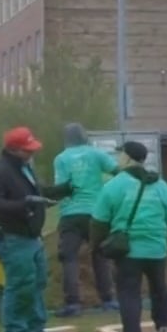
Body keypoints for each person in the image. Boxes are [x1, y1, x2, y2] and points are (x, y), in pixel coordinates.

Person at [0, 127, 67, 332]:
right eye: (27, 150)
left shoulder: (24, 168)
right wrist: (22, 206)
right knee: (19, 285)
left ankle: (36, 330)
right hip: (12, 237)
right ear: (14, 149)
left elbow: (36, 192)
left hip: (31, 237)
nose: (32, 153)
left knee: (37, 283)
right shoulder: (0, 171)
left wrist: (62, 190)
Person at [94, 141, 167, 332]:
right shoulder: (160, 185)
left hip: (128, 251)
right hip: (156, 249)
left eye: (121, 155)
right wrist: (157, 233)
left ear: (126, 158)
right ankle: (164, 328)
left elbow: (99, 221)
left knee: (129, 294)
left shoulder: (114, 185)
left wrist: (98, 244)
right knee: (159, 289)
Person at [51, 123, 119, 317]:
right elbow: (117, 171)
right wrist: (108, 191)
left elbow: (61, 186)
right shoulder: (96, 154)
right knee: (100, 255)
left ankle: (72, 303)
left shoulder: (61, 159)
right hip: (96, 212)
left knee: (69, 258)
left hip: (70, 213)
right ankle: (108, 300)